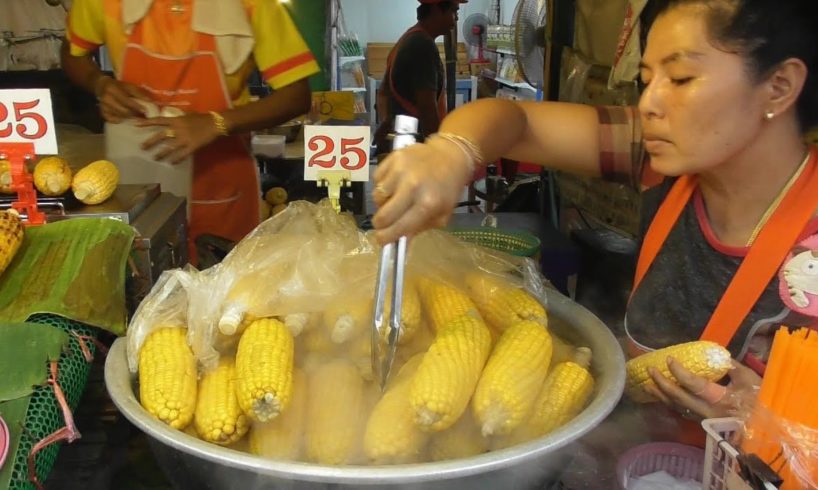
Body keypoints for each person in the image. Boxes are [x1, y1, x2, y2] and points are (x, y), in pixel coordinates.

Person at [372, 0, 818, 432]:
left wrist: (780, 424)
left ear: (779, 86)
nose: (649, 103)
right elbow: (515, 121)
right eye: (647, 79)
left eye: (681, 78)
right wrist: (453, 153)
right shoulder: (655, 156)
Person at [61, 0, 319, 263]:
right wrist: (100, 84)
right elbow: (72, 52)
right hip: (141, 185)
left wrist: (216, 123)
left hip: (222, 185)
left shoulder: (252, 5)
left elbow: (296, 96)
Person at [374, 0, 465, 154]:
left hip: (400, 139)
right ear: (436, 10)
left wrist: (386, 122)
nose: (456, 18)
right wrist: (439, 151)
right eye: (453, 11)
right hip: (414, 144)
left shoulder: (409, 37)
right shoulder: (422, 45)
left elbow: (384, 92)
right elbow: (427, 108)